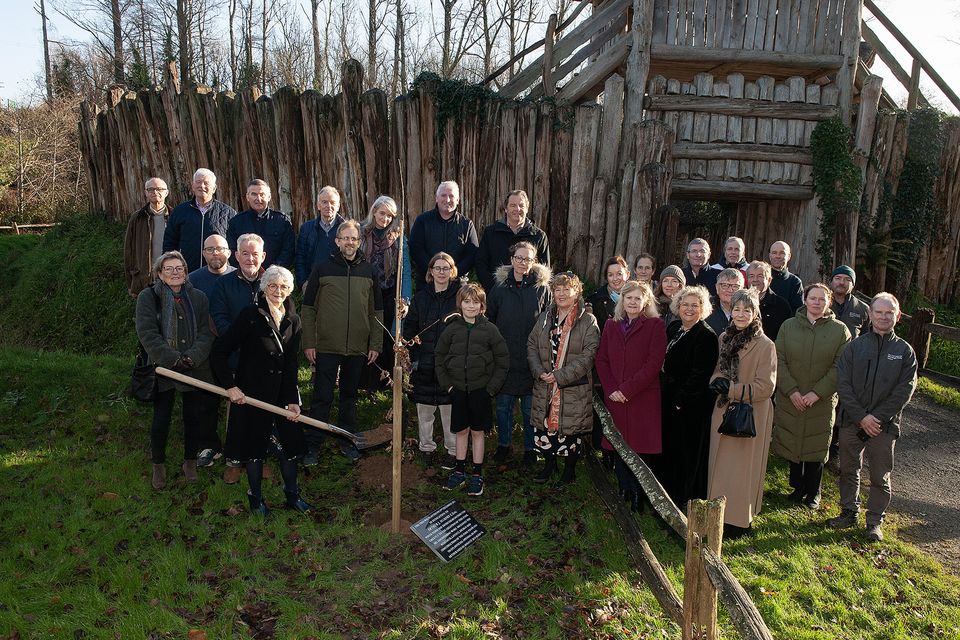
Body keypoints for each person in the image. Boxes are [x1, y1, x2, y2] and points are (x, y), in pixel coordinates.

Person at [211, 266, 313, 516]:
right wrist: (231, 386)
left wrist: (292, 400)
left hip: (281, 396)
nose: (278, 291)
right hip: (251, 395)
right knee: (253, 450)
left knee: (289, 449)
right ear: (264, 287)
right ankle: (256, 500)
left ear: (290, 291)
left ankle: (292, 495)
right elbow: (219, 352)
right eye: (273, 286)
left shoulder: (294, 320)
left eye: (284, 287)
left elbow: (290, 364)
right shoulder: (249, 315)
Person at [830, 293, 917, 542]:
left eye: (889, 313)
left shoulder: (904, 352)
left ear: (897, 316)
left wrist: (875, 418)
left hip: (884, 427)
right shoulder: (855, 346)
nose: (883, 317)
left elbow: (905, 390)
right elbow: (843, 383)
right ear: (870, 314)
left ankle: (874, 521)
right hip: (851, 422)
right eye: (878, 312)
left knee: (880, 476)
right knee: (848, 469)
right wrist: (860, 417)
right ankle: (848, 511)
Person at [301, 219, 383, 463]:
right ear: (337, 241)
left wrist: (375, 344)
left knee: (349, 396)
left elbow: (376, 311)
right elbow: (307, 309)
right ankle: (314, 444)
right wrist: (309, 342)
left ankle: (346, 441)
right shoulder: (322, 268)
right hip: (326, 344)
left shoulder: (369, 271)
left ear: (360, 242)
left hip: (357, 346)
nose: (350, 242)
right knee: (322, 396)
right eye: (345, 238)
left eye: (354, 239)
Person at [135, 250, 216, 490]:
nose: (174, 273)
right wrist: (172, 359)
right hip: (163, 368)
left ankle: (189, 461)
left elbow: (205, 332)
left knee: (193, 417)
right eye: (169, 269)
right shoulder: (148, 297)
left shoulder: (198, 297)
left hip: (193, 366)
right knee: (162, 418)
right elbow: (147, 333)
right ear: (159, 274)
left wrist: (192, 357)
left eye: (179, 268)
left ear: (185, 272)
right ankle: (158, 465)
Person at [772, 283, 850, 509]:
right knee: (793, 440)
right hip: (791, 396)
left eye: (821, 299)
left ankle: (814, 492)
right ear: (805, 300)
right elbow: (779, 359)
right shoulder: (788, 326)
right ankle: (797, 487)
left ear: (829, 302)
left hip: (821, 400)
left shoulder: (840, 331)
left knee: (816, 444)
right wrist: (791, 390)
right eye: (812, 298)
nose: (816, 302)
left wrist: (818, 393)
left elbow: (840, 366)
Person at [707, 289, 777, 539]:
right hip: (723, 409)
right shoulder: (724, 338)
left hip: (750, 414)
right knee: (720, 466)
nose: (740, 314)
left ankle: (739, 521)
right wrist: (717, 381)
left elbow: (766, 387)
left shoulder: (765, 345)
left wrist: (733, 389)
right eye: (737, 309)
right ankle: (717, 514)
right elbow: (717, 368)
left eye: (746, 310)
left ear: (755, 312)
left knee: (742, 470)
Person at [596, 280, 666, 511]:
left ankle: (639, 494)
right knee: (619, 445)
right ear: (622, 300)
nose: (633, 302)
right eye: (629, 298)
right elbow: (602, 359)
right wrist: (611, 389)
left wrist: (627, 390)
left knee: (640, 448)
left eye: (638, 298)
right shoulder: (610, 325)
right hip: (615, 397)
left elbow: (653, 364)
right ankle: (624, 488)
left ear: (645, 301)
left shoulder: (655, 326)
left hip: (641, 398)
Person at [435, 283, 510, 496]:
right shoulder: (452, 329)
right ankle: (459, 471)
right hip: (457, 389)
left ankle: (477, 474)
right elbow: (439, 357)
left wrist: (491, 388)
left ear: (482, 306)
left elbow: (502, 360)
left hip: (480, 390)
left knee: (477, 432)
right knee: (461, 431)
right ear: (460, 304)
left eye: (475, 302)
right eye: (466, 302)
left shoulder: (490, 330)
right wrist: (448, 385)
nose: (470, 306)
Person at [527, 273, 600, 485]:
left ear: (577, 292)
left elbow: (589, 355)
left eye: (566, 289)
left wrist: (559, 376)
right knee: (545, 425)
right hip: (545, 383)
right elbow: (531, 344)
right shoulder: (545, 317)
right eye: (557, 289)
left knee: (569, 430)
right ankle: (549, 465)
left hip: (572, 386)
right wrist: (539, 371)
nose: (561, 293)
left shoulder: (587, 320)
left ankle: (569, 471)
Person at [487, 241, 552, 466]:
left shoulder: (542, 289)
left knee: (529, 409)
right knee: (504, 408)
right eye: (519, 258)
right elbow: (490, 320)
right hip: (504, 357)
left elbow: (549, 323)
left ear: (534, 262)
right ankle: (504, 445)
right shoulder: (499, 288)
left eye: (528, 259)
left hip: (531, 360)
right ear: (512, 259)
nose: (523, 263)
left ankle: (529, 448)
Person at [659, 285, 719, 507]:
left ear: (703, 308)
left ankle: (684, 499)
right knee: (671, 451)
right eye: (685, 304)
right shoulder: (674, 328)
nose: (690, 309)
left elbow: (700, 375)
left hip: (690, 405)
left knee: (687, 455)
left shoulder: (705, 335)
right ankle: (667, 494)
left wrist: (679, 401)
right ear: (678, 306)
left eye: (695, 305)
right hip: (670, 399)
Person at [403, 252, 462, 469]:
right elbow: (410, 328)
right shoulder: (422, 297)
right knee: (425, 410)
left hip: (450, 364)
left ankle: (452, 450)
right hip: (425, 362)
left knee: (449, 411)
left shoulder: (459, 297)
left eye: (445, 268)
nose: (441, 272)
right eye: (437, 268)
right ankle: (426, 448)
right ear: (430, 271)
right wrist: (415, 356)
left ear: (452, 271)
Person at [358, 195, 412, 391]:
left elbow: (405, 271)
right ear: (374, 211)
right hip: (365, 294)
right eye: (382, 213)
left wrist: (405, 299)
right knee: (366, 335)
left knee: (387, 335)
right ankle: (365, 382)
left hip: (389, 293)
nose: (385, 219)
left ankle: (385, 382)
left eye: (390, 215)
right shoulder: (361, 233)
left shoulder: (398, 236)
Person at [163, 168, 237, 272]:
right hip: (187, 271)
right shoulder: (179, 211)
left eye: (206, 183)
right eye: (198, 182)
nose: (202, 186)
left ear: (214, 188)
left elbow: (234, 246)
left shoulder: (228, 213)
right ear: (193, 186)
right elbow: (170, 242)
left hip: (218, 273)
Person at [475, 189, 550, 292]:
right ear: (506, 209)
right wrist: (493, 288)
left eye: (521, 205)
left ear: (527, 208)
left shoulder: (539, 236)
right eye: (513, 205)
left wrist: (530, 291)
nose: (517, 209)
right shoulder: (491, 233)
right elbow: (481, 264)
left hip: (528, 295)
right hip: (497, 293)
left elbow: (543, 269)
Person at [408, 181, 479, 289]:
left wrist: (453, 272)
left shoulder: (466, 224)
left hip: (457, 285)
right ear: (436, 198)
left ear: (458, 200)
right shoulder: (422, 221)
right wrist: (434, 271)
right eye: (443, 195)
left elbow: (472, 255)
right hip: (427, 284)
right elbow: (415, 249)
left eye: (451, 196)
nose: (447, 200)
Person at [226, 179, 294, 270]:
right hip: (245, 275)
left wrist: (274, 269)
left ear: (269, 197)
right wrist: (245, 270)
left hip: (274, 275)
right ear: (247, 197)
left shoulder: (282, 221)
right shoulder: (236, 222)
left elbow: (288, 250)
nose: (258, 199)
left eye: (262, 194)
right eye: (254, 194)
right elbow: (232, 250)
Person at [210, 234, 266, 336]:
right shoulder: (223, 284)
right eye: (245, 254)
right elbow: (218, 319)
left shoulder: (273, 283)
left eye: (255, 254)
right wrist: (238, 339)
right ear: (237, 256)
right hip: (234, 347)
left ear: (263, 257)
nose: (250, 259)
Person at [124, 177, 170, 297]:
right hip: (144, 279)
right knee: (147, 314)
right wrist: (130, 283)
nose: (155, 192)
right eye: (151, 189)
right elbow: (128, 251)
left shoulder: (175, 216)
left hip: (170, 277)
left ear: (166, 192)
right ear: (146, 193)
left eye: (159, 189)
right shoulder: (137, 218)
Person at [295, 186, 344, 287]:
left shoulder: (346, 230)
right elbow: (300, 258)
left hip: (340, 285)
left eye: (332, 202)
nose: (328, 206)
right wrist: (303, 283)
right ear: (318, 205)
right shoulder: (307, 228)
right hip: (313, 284)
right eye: (324, 202)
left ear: (338, 206)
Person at [746, 260, 792, 341]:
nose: (755, 280)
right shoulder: (740, 302)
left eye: (760, 276)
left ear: (769, 280)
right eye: (751, 276)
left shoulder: (782, 306)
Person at [586, 256, 630, 329]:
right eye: (610, 275)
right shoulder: (594, 300)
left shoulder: (638, 298)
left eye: (619, 274)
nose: (615, 278)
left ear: (627, 275)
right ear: (606, 277)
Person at [188, 234, 236, 300]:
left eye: (220, 249)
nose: (215, 253)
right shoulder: (191, 281)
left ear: (229, 253)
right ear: (203, 254)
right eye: (210, 249)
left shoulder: (240, 278)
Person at [830, 265, 870, 339]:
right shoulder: (820, 304)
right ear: (831, 282)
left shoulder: (863, 309)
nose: (841, 282)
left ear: (853, 285)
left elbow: (866, 338)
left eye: (847, 279)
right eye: (837, 278)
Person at [706, 268, 744, 336]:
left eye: (735, 286)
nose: (730, 290)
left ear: (742, 289)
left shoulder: (749, 310)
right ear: (717, 288)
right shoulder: (705, 308)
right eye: (725, 285)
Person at [768, 241, 804, 313]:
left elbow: (798, 311)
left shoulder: (795, 282)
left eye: (782, 253)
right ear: (770, 256)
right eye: (774, 253)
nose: (778, 256)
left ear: (789, 256)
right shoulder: (761, 278)